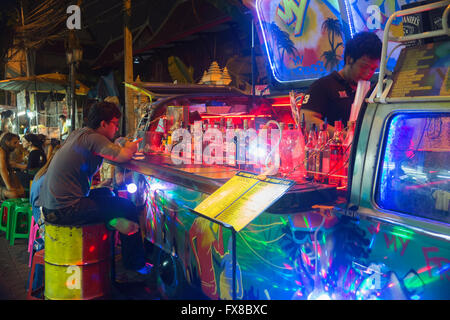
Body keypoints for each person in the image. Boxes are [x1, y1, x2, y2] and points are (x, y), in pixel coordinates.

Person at [38, 101, 149, 277]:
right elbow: (123, 156)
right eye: (114, 123)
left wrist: (119, 143)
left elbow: (111, 147)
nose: (116, 127)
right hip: (67, 209)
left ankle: (114, 222)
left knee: (106, 193)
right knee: (127, 206)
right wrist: (131, 146)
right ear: (103, 124)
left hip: (52, 206)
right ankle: (136, 264)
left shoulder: (80, 134)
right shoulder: (94, 139)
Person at [301, 31, 382, 128]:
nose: (368, 73)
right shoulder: (322, 86)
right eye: (364, 67)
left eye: (373, 69)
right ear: (349, 59)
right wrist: (343, 136)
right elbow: (307, 120)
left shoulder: (371, 91)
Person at [0, 133, 25, 199]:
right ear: (7, 142)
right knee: (13, 194)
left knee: (21, 191)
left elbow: (11, 172)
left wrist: (19, 186)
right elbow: (2, 169)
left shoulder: (6, 152)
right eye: (15, 143)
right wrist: (9, 187)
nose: (17, 145)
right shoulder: (1, 151)